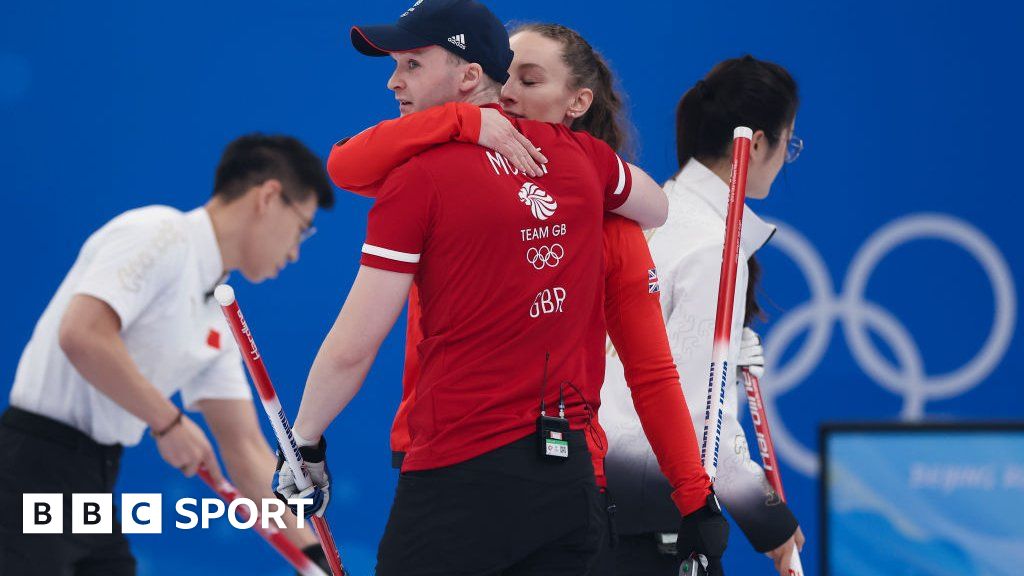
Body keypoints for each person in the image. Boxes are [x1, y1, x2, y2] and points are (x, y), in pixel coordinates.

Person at [271, 1, 704, 574]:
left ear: (469, 75)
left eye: (412, 64)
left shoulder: (417, 178)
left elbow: (355, 344)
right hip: (569, 482)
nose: (393, 80)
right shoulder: (583, 158)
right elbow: (655, 205)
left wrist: (304, 441)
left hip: (460, 475)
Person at [0, 134, 335, 575]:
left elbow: (245, 449)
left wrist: (314, 558)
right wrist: (169, 422)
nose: (294, 252)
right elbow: (82, 334)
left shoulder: (219, 310)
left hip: (95, 482)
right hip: (31, 470)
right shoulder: (159, 233)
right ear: (269, 197)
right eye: (301, 228)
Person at [600, 55, 806, 575]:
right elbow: (698, 418)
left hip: (608, 498)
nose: (787, 158)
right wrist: (770, 520)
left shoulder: (661, 212)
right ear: (757, 144)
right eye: (790, 142)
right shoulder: (710, 245)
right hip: (650, 513)